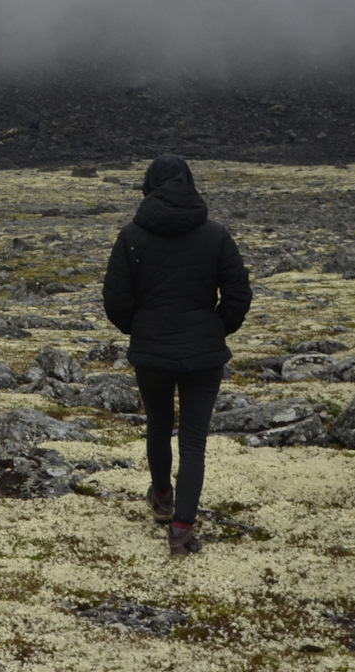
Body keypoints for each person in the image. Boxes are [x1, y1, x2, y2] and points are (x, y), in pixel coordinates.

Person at [102, 153, 251, 556]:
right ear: (190, 183)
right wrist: (215, 327)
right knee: (193, 441)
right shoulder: (216, 235)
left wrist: (143, 329)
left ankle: (163, 497)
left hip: (152, 354)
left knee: (158, 424)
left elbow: (115, 300)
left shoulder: (132, 235)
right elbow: (238, 296)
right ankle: (182, 530)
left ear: (149, 186)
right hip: (203, 355)